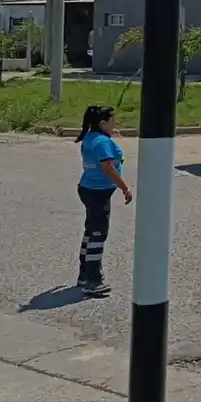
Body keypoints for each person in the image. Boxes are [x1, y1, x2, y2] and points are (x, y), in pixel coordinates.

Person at [75, 105, 131, 297]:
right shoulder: (101, 142)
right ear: (102, 123)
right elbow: (108, 168)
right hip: (97, 192)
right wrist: (124, 187)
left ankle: (84, 275)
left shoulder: (91, 137)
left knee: (91, 231)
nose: (115, 123)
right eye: (113, 120)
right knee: (98, 234)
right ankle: (92, 280)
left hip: (89, 189)